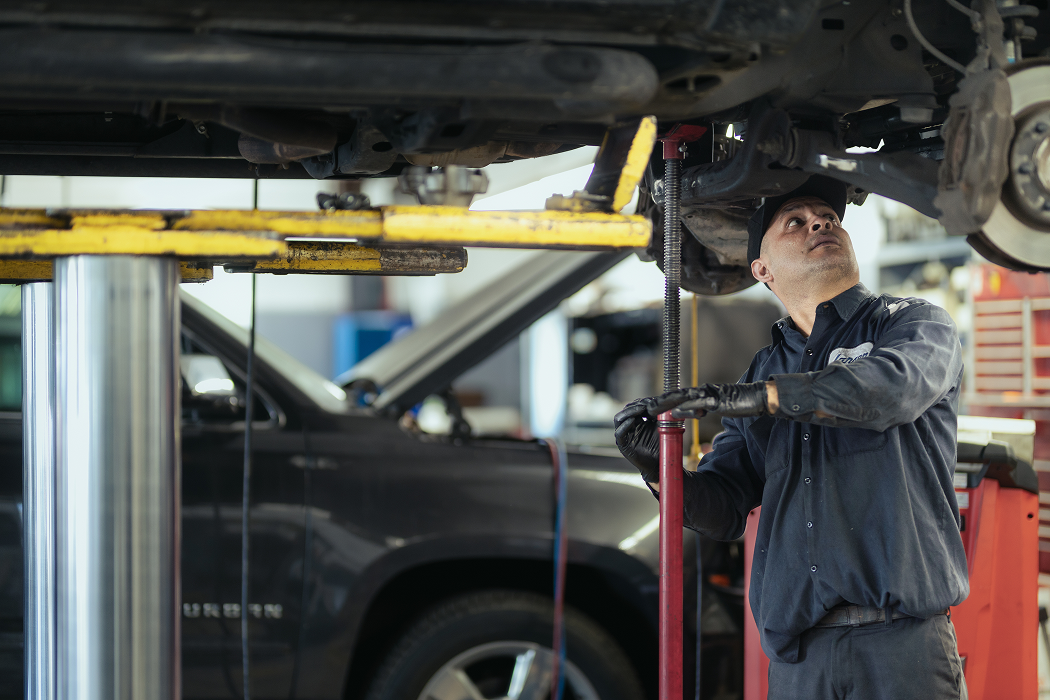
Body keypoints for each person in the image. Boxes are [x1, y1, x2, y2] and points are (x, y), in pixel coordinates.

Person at [614, 175, 968, 699]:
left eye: (826, 216)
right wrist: (657, 470)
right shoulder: (765, 367)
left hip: (902, 647)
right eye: (794, 222)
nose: (819, 223)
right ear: (762, 270)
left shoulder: (912, 324)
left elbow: (891, 389)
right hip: (803, 658)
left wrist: (764, 399)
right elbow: (726, 506)